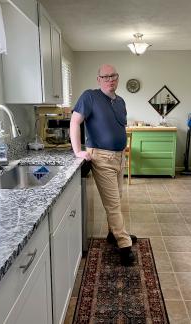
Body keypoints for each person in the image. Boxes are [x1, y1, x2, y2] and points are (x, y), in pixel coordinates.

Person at [70, 64, 137, 266]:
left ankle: (112, 233)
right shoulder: (89, 96)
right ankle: (124, 245)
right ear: (98, 79)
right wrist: (77, 151)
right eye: (105, 77)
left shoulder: (121, 101)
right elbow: (74, 122)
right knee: (113, 203)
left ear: (117, 78)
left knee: (117, 197)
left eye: (113, 76)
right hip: (101, 157)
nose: (110, 80)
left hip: (118, 157)